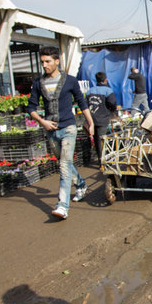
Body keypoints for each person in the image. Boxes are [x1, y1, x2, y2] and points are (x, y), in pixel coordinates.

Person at [27, 46, 94, 220]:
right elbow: (31, 107)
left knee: (64, 166)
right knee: (65, 163)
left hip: (69, 128)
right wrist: (42, 122)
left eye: (48, 61)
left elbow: (81, 102)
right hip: (51, 130)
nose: (44, 65)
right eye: (42, 62)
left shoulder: (70, 81)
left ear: (57, 61)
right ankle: (81, 184)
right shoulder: (38, 83)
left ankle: (62, 206)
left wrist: (90, 122)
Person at [86, 71, 117, 163]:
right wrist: (112, 110)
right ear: (105, 80)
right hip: (102, 118)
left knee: (96, 140)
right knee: (102, 139)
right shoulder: (108, 90)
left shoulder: (90, 91)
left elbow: (85, 104)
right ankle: (103, 161)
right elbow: (112, 102)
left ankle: (100, 158)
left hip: (91, 119)